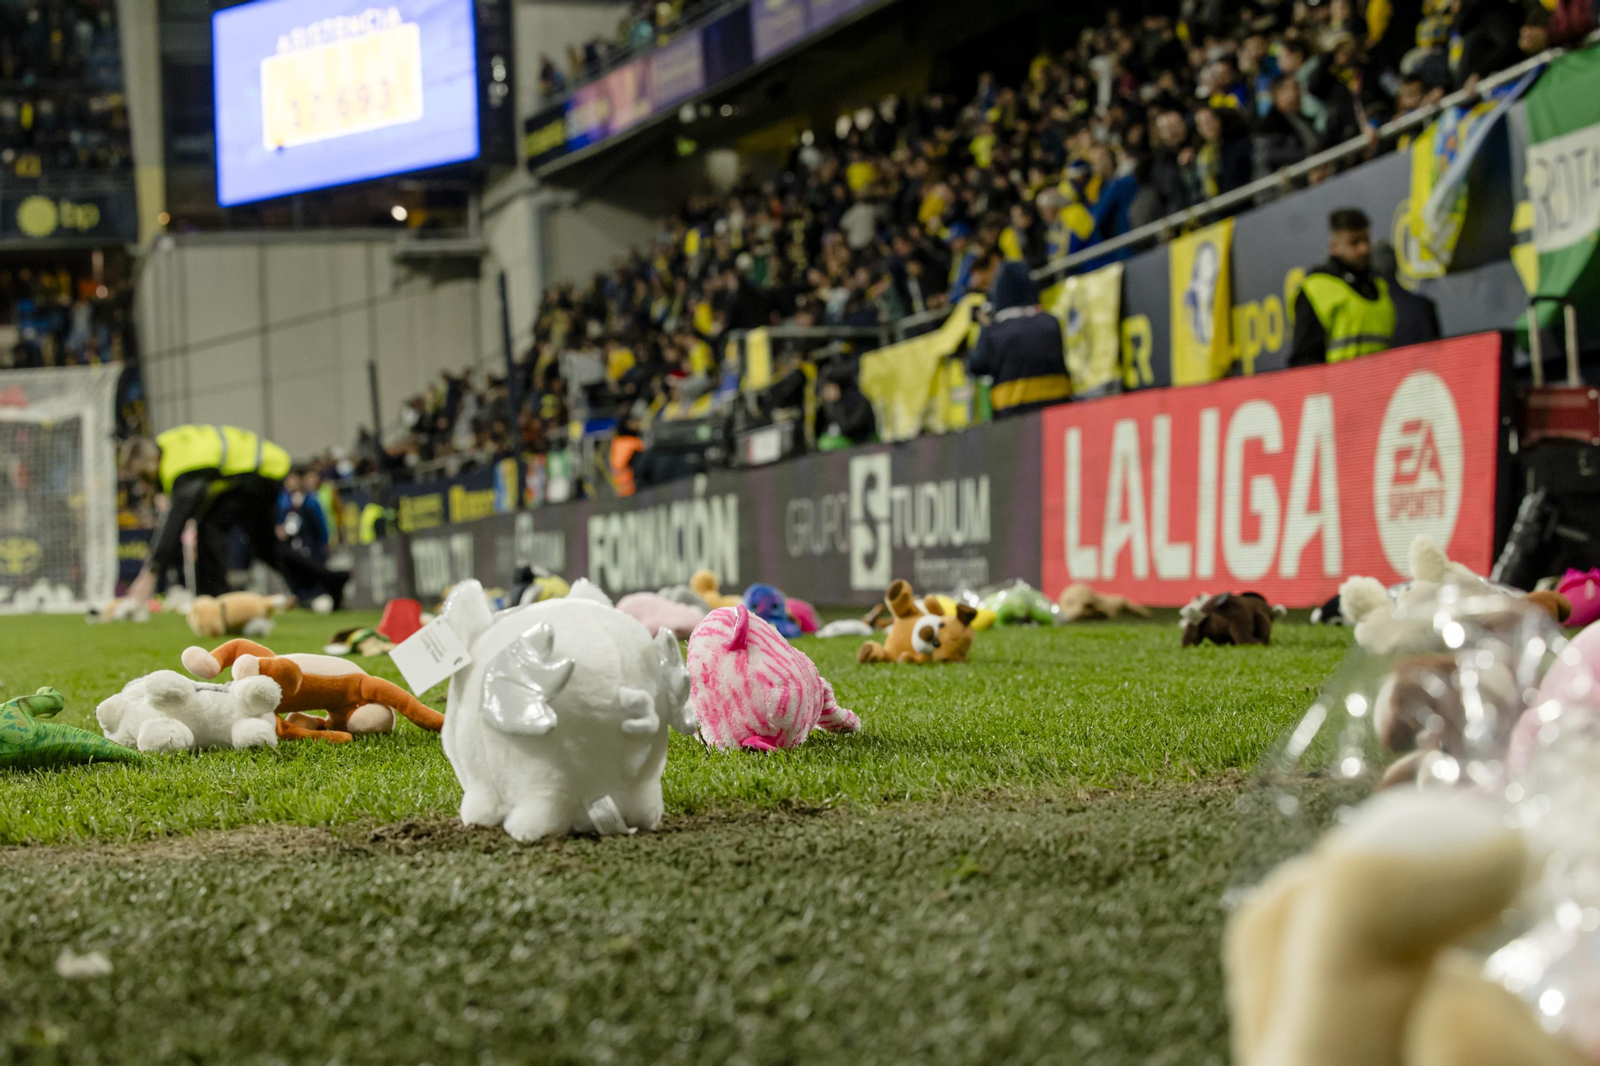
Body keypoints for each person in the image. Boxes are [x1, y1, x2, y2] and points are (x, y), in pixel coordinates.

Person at [111, 425, 350, 609]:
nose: (144, 484)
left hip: (260, 473)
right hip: (257, 471)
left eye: (142, 476)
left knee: (210, 527)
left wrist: (151, 572)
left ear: (150, 461)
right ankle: (329, 581)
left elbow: (178, 517)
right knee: (265, 547)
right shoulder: (170, 447)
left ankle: (216, 602)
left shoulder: (180, 465)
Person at [1289, 208, 1398, 366]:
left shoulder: (1380, 288)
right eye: (1354, 243)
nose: (1364, 249)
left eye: (1366, 240)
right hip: (1339, 388)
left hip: (1382, 386)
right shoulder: (1316, 289)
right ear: (1334, 247)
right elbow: (1304, 361)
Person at [967, 261, 1068, 418]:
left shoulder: (996, 332)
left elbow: (977, 365)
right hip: (1059, 412)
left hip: (1014, 419)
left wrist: (985, 326)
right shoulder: (1051, 323)